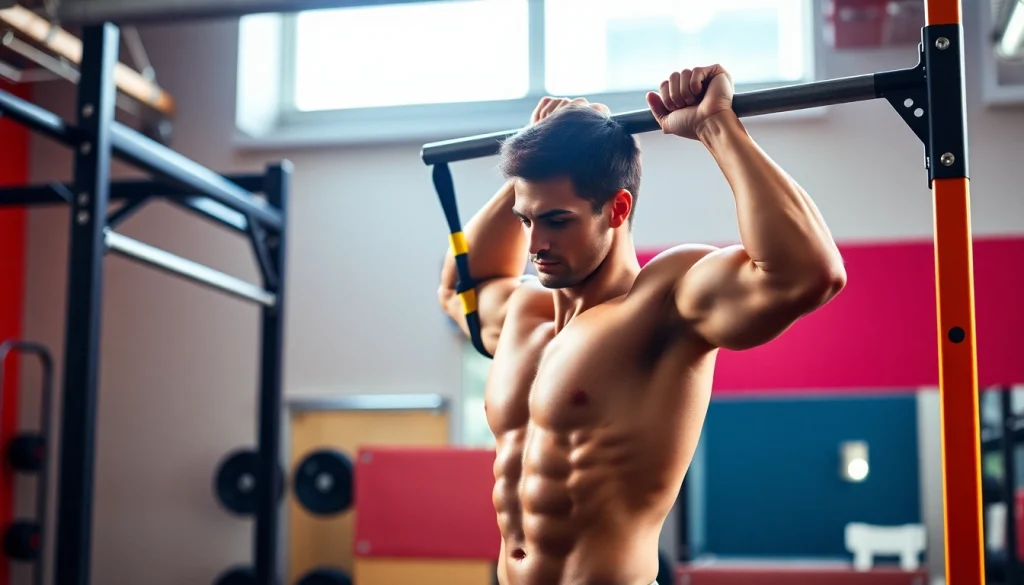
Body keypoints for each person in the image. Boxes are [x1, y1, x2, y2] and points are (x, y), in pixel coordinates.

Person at [437, 64, 847, 585]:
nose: (535, 244)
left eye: (557, 220)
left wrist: (715, 125)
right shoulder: (524, 312)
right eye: (526, 220)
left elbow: (809, 274)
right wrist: (537, 150)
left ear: (617, 208)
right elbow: (460, 288)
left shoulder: (662, 303)